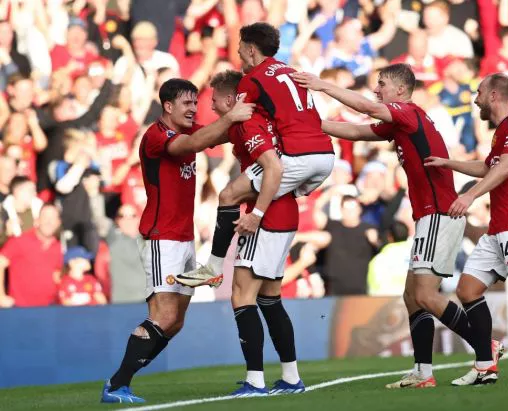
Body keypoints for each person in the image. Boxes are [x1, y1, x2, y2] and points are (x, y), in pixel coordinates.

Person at [292, 63, 503, 388]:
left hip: (439, 214)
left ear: (400, 91)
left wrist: (321, 85)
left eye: (382, 84)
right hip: (428, 217)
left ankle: (483, 344)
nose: (376, 90)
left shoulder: (408, 113)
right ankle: (423, 372)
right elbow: (359, 131)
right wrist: (316, 123)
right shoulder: (403, 123)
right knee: (411, 296)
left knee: (426, 295)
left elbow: (367, 108)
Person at [100, 78, 254, 404]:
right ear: (168, 106)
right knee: (163, 316)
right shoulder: (156, 136)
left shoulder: (189, 130)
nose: (193, 109)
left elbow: (218, 134)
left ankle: (119, 381)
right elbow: (194, 143)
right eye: (187, 103)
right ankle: (117, 384)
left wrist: (251, 121)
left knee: (176, 323)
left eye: (196, 103)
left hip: (183, 237)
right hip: (161, 238)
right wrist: (231, 118)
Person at [424, 73, 508, 384]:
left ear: (494, 96)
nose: (475, 99)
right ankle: (486, 364)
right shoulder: (501, 131)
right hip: (498, 225)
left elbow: (506, 167)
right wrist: (449, 163)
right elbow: (489, 166)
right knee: (467, 289)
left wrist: (470, 194)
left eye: (479, 93)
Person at [175, 22, 335, 288]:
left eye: (239, 48)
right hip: (323, 156)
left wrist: (256, 214)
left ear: (250, 49)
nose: (237, 54)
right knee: (268, 298)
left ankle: (213, 267)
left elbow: (237, 117)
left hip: (295, 160)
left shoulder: (252, 83)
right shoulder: (291, 72)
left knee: (228, 196)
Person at [205, 70, 305, 397]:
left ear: (233, 100)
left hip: (267, 217)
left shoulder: (249, 125)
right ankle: (291, 378)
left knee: (241, 296)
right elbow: (207, 136)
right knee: (270, 298)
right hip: (285, 214)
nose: (211, 104)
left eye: (215, 99)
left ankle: (255, 381)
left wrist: (257, 213)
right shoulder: (242, 125)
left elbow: (272, 168)